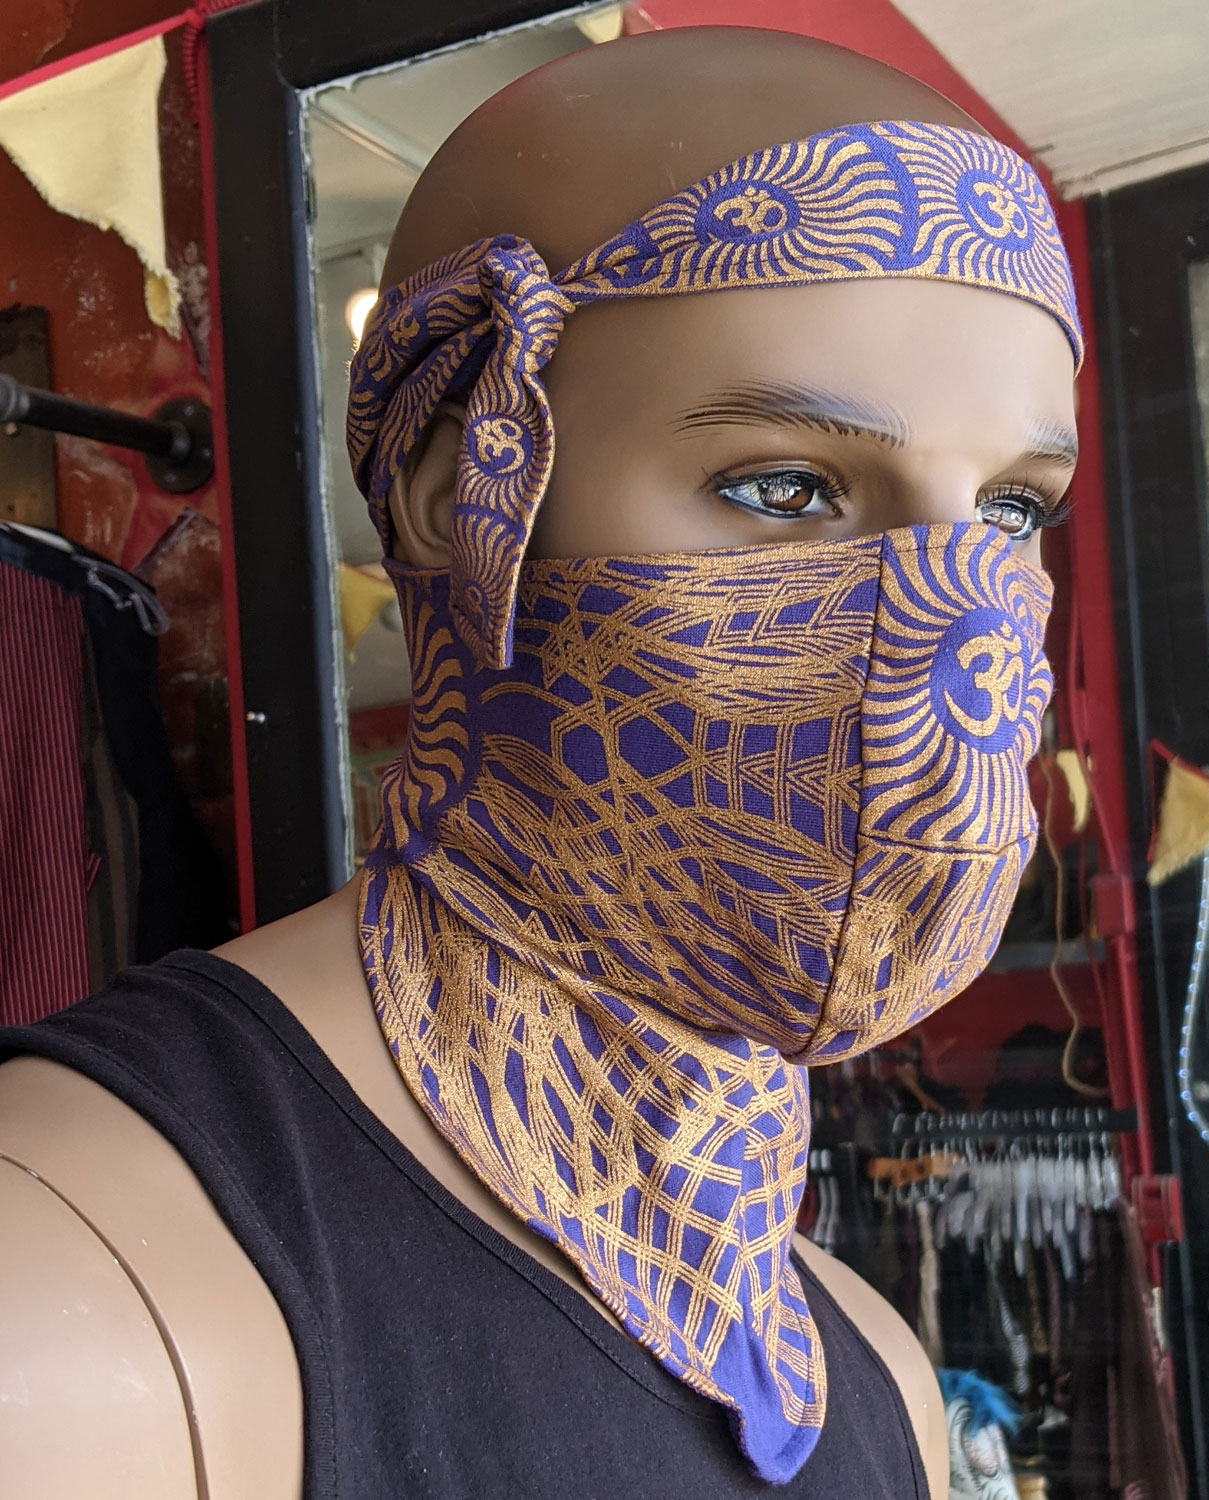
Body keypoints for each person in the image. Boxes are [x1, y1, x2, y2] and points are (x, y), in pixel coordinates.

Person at [0, 26, 1080, 1498]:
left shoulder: (872, 1370)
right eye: (786, 486)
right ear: (468, 493)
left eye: (1012, 513)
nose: (959, 632)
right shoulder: (83, 1288)